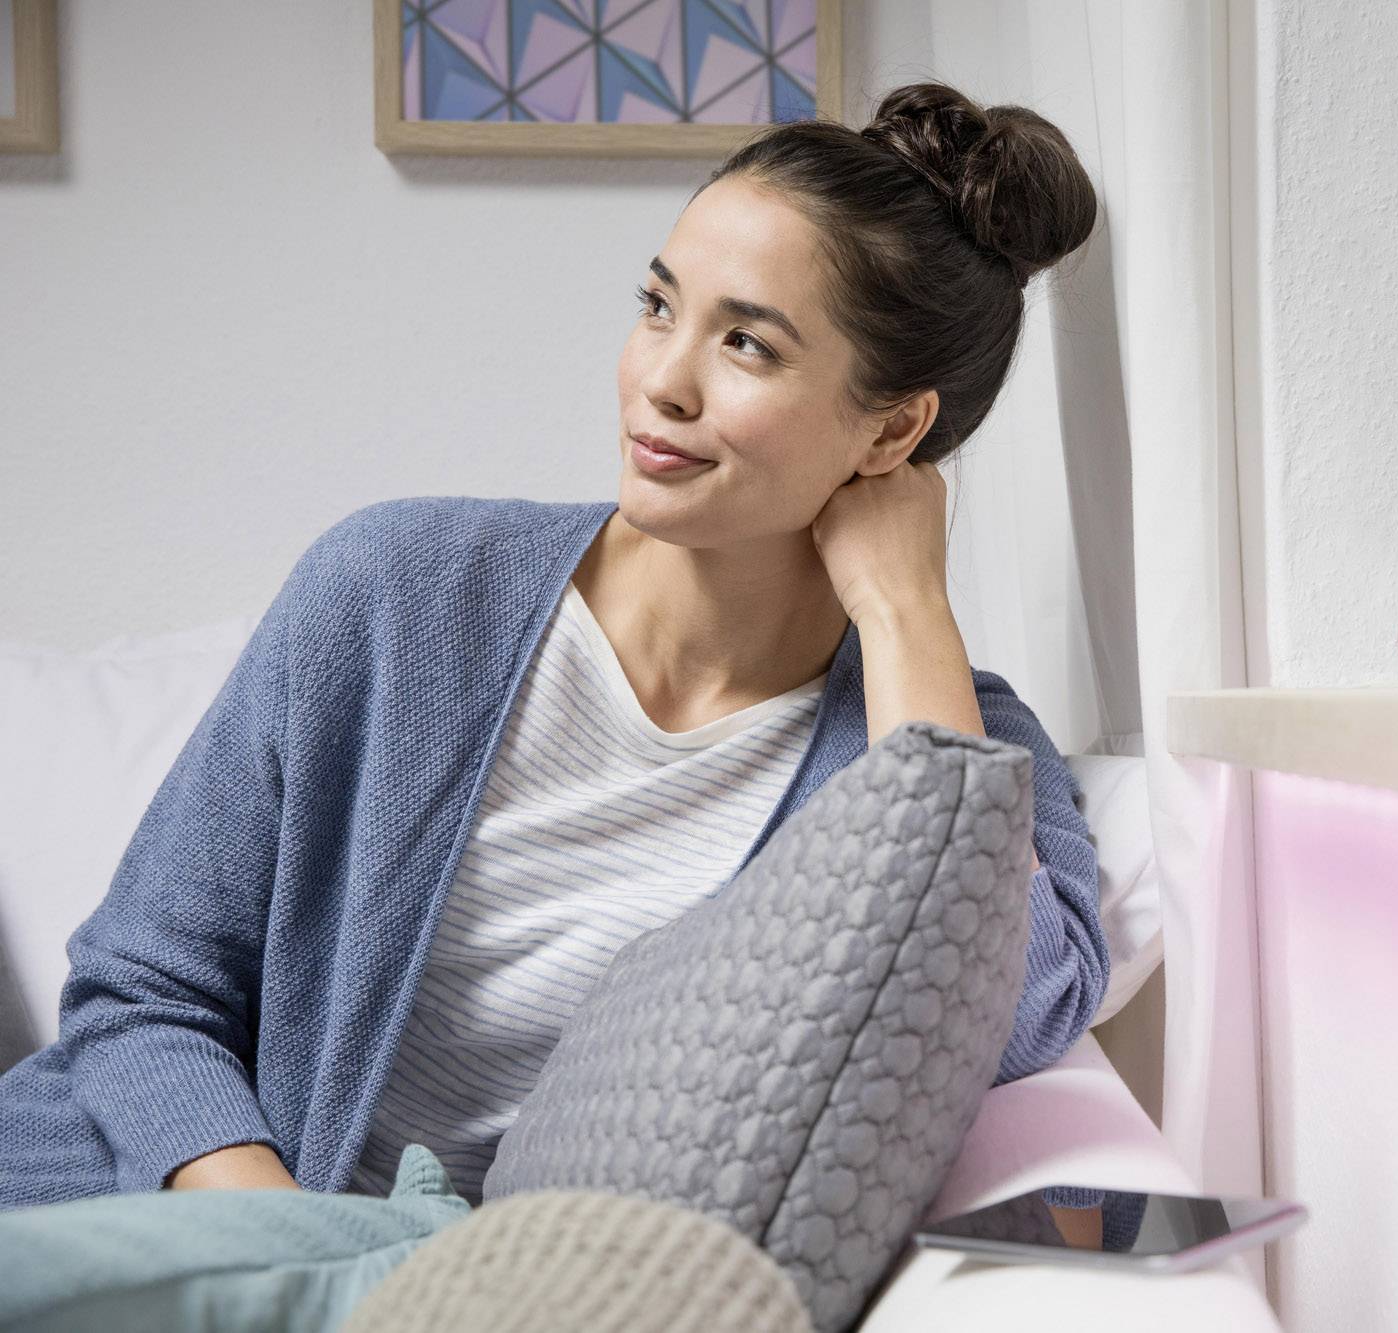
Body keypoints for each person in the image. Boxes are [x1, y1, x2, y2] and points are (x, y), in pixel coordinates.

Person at [0, 80, 1108, 1211]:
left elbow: (1011, 1020)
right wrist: (287, 1250)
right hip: (130, 1214)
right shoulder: (398, 591)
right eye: (657, 305)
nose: (661, 381)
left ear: (892, 428)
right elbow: (143, 990)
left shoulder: (932, 736)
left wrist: (905, 613)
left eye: (745, 344)